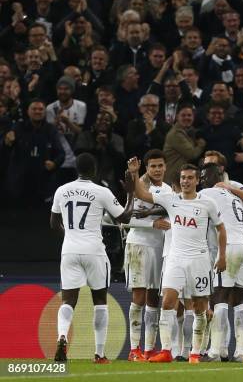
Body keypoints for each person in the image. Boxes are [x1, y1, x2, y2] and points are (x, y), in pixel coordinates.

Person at [127, 158, 227, 364]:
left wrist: (222, 255)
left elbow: (221, 229)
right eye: (183, 178)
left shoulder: (207, 203)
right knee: (167, 302)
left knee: (199, 307)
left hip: (199, 260)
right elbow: (142, 194)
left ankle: (195, 353)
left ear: (197, 180)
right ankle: (165, 351)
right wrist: (135, 174)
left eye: (190, 178)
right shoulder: (170, 199)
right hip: (175, 259)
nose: (186, 182)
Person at [50, 152, 135, 363]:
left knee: (68, 300)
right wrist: (131, 194)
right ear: (94, 170)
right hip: (94, 250)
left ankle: (62, 336)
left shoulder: (62, 190)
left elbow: (53, 223)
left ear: (76, 169)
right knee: (100, 301)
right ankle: (99, 353)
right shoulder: (101, 192)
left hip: (69, 250)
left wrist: (70, 236)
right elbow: (124, 217)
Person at [199, 163, 243, 363]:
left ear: (214, 177)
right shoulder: (233, 194)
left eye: (205, 176)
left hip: (229, 247)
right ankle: (241, 353)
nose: (202, 179)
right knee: (239, 300)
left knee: (220, 297)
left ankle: (215, 351)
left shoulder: (206, 193)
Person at [125, 149, 172, 361]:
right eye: (153, 166)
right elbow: (125, 218)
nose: (157, 169)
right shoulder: (138, 186)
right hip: (139, 245)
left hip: (160, 248)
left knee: (154, 297)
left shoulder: (169, 190)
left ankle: (149, 349)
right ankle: (134, 349)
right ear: (147, 168)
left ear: (165, 166)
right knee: (139, 296)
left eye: (160, 165)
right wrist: (152, 223)